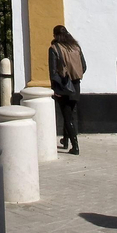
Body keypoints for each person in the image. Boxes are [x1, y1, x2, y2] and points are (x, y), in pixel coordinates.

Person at [48, 25, 86, 155]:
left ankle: (75, 146)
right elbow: (84, 66)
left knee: (66, 115)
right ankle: (65, 141)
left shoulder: (54, 49)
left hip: (63, 85)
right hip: (76, 85)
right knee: (70, 114)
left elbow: (53, 72)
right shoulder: (76, 47)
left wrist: (56, 87)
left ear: (55, 35)